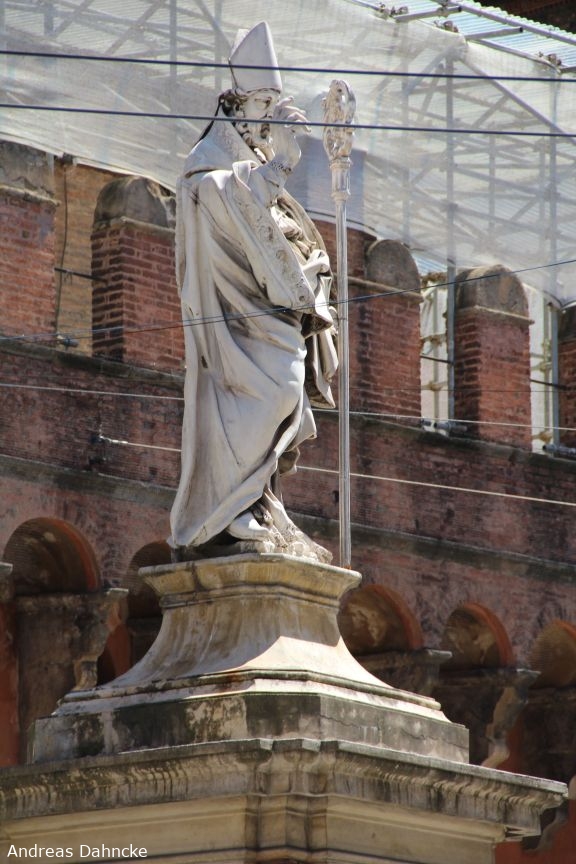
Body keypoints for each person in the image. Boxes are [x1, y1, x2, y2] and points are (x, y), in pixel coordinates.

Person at [169, 22, 337, 561]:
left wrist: (313, 264)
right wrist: (282, 163)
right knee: (275, 392)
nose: (268, 117)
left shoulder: (251, 161)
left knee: (284, 393)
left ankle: (255, 501)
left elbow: (278, 224)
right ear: (235, 105)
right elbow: (220, 198)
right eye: (263, 104)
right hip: (230, 315)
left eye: (272, 104)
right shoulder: (208, 160)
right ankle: (228, 507)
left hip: (264, 308)